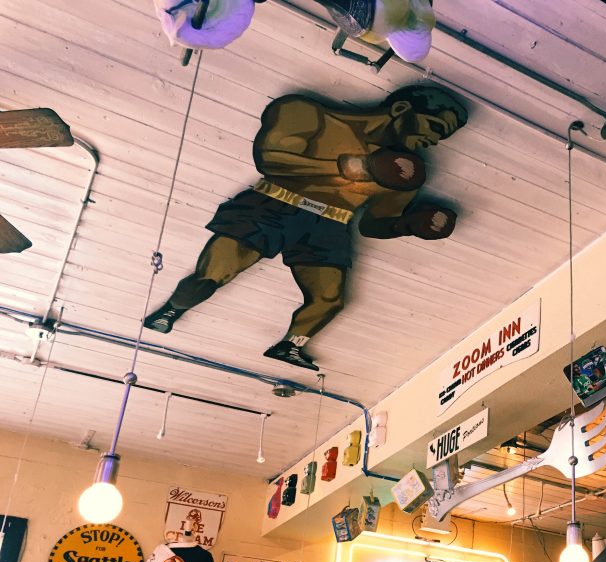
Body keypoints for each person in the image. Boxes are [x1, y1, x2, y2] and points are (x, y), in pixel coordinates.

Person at [144, 84, 468, 371]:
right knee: (214, 274)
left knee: (329, 299)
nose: (435, 140)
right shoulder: (309, 114)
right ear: (400, 110)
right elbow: (272, 157)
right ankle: (172, 310)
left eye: (443, 136)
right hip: (274, 203)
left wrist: (409, 223)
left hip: (331, 224)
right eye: (436, 126)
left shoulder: (404, 170)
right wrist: (355, 166)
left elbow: (373, 225)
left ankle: (291, 345)